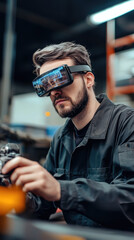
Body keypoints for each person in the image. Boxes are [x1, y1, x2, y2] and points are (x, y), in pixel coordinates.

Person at [2, 42, 134, 230]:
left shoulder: (126, 124)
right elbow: (43, 206)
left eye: (60, 78)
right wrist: (19, 195)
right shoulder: (61, 138)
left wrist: (60, 190)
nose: (54, 91)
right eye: (45, 85)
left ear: (88, 79)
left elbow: (130, 200)